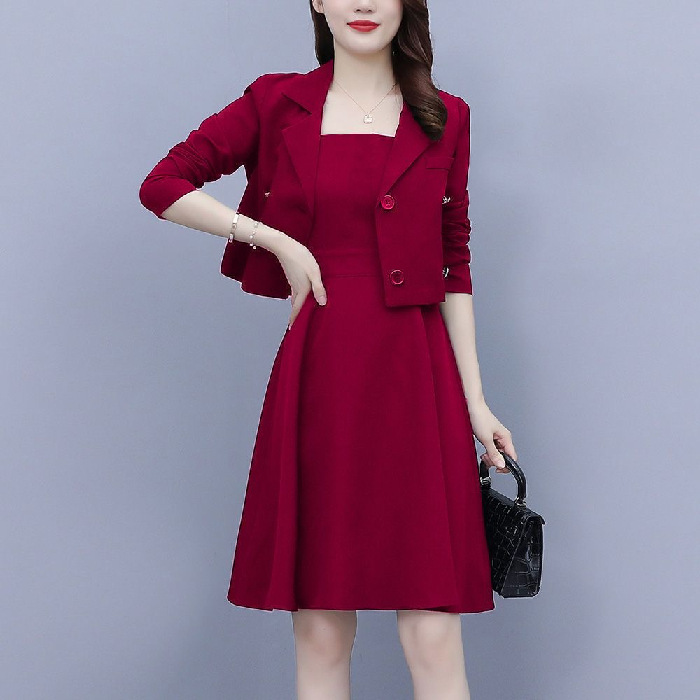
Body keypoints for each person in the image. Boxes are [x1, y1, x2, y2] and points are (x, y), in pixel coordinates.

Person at [139, 1, 517, 697]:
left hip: (418, 374)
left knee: (433, 629)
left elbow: (453, 261)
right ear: (317, 0)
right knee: (320, 628)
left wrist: (476, 402)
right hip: (323, 373)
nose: (363, 3)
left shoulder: (446, 116)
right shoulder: (275, 102)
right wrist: (274, 240)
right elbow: (162, 185)